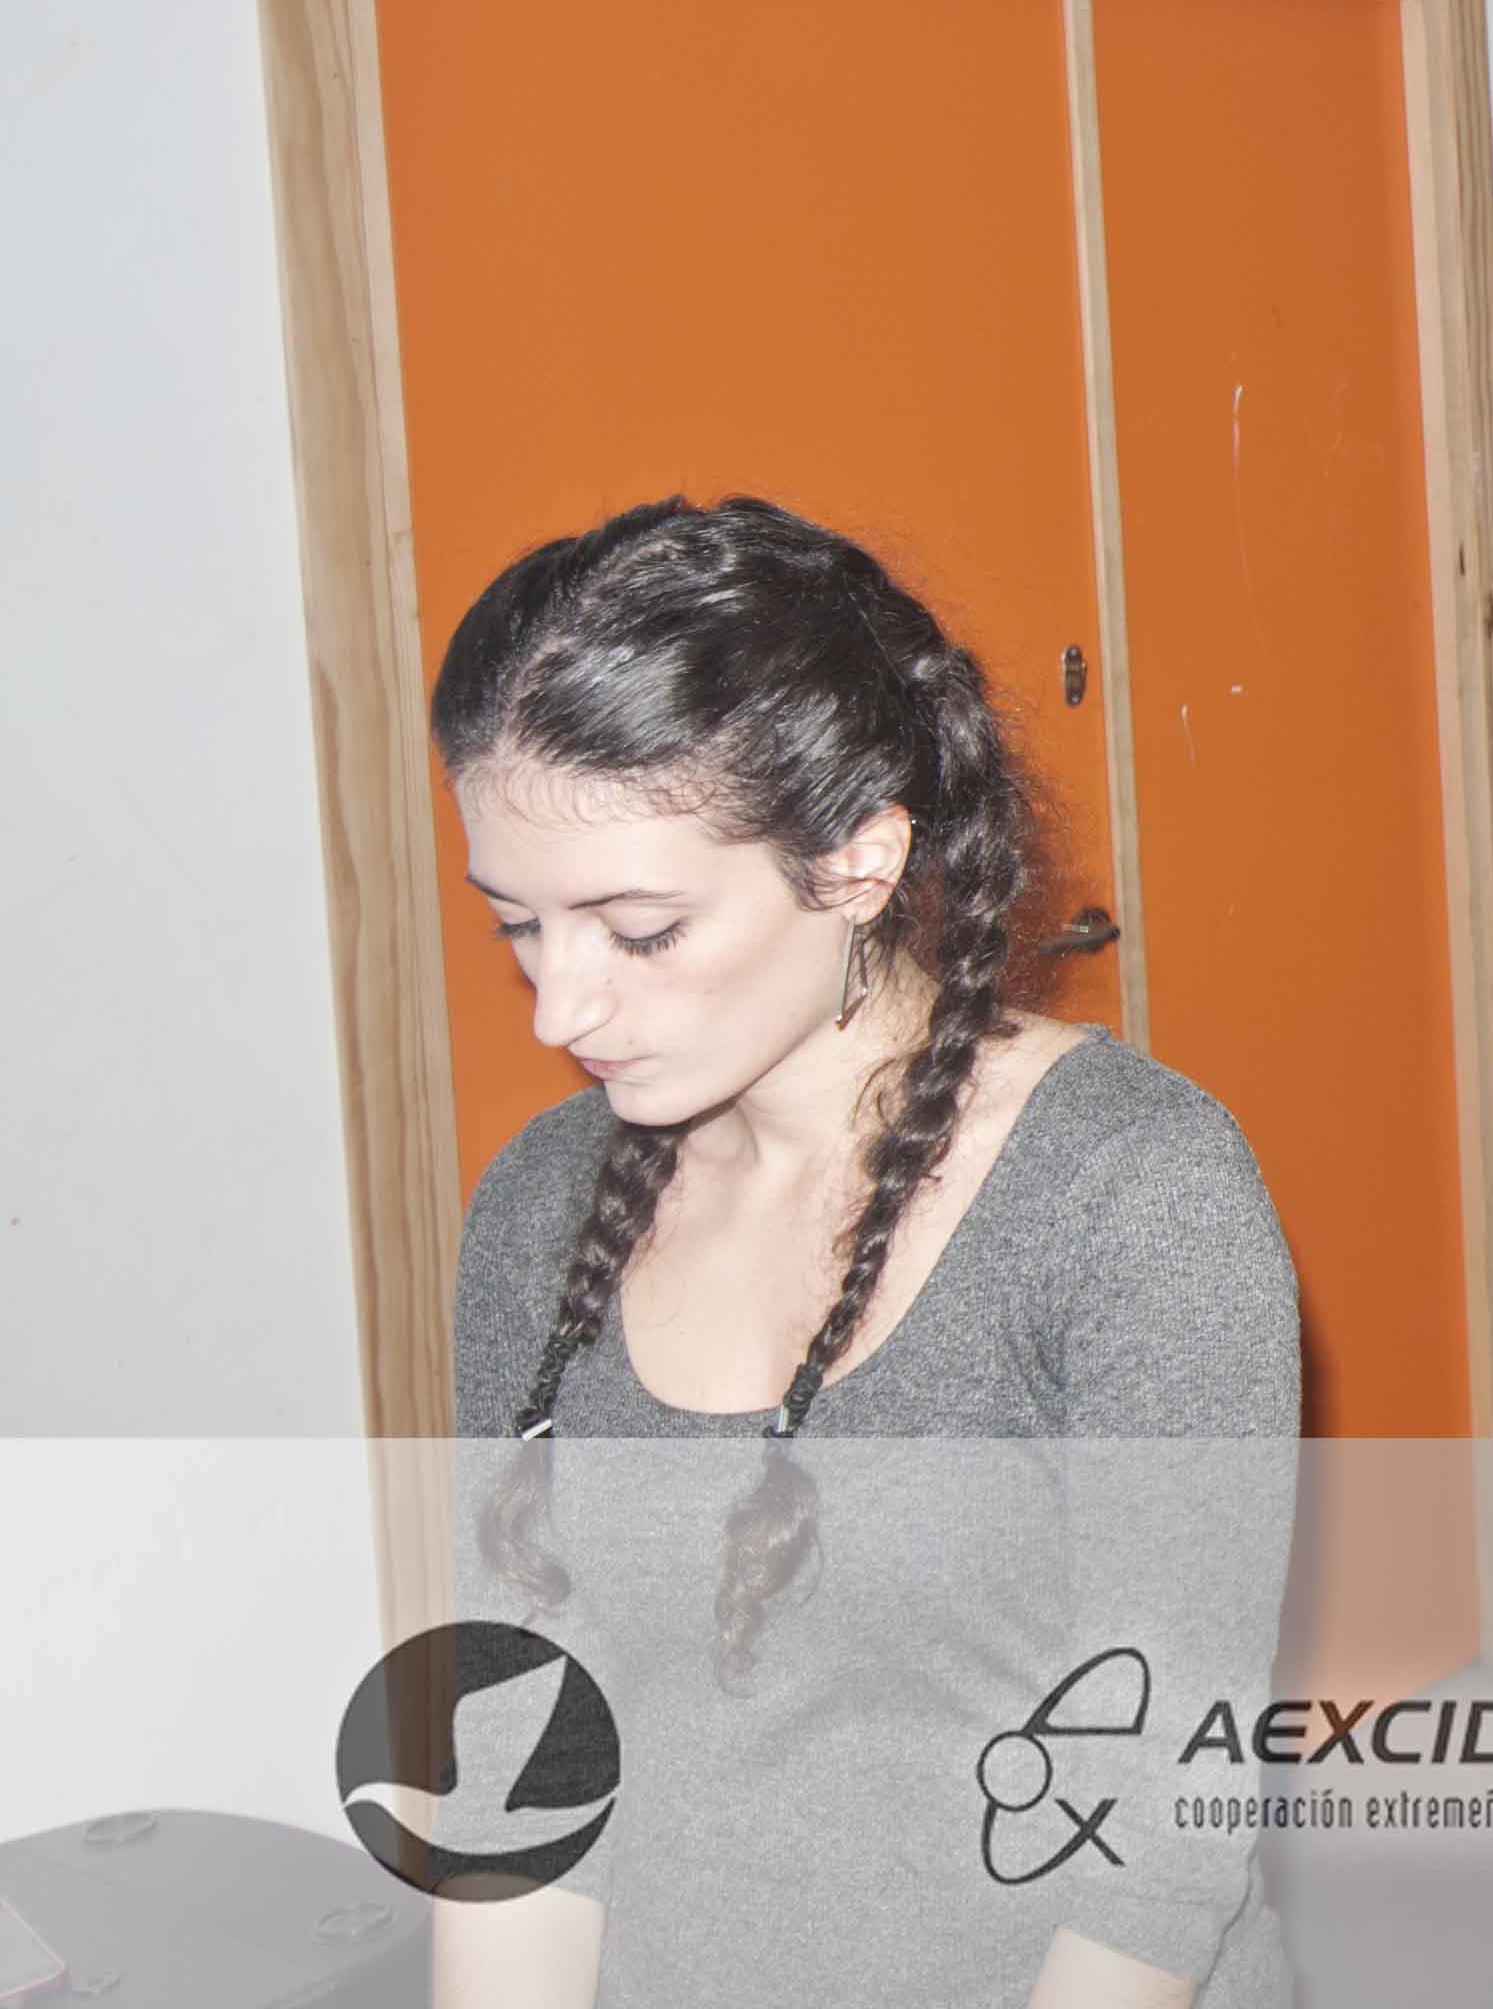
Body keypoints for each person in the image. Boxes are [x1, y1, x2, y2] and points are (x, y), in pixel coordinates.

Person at [434, 497, 1302, 2004]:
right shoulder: (540, 1205)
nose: (559, 1009)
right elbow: (521, 1754)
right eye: (519, 924)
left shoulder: (1131, 1193)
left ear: (858, 863)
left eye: (639, 931)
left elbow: (1160, 1833)